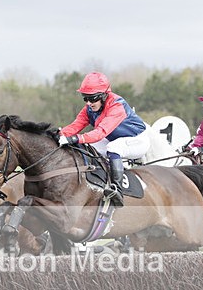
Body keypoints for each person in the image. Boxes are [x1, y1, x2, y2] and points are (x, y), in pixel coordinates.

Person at [58, 72, 149, 207]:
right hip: (113, 138)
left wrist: (75, 138)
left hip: (136, 140)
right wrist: (58, 134)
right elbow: (75, 126)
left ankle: (116, 190)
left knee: (113, 148)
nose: (89, 103)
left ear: (104, 95)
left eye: (93, 98)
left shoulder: (117, 106)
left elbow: (100, 133)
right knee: (89, 148)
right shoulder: (89, 108)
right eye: (85, 98)